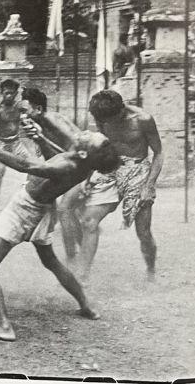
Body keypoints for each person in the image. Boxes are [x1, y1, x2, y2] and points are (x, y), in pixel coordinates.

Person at [0, 121, 120, 341]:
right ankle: (86, 306)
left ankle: (4, 327)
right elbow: (58, 156)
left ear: (83, 151)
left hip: (25, 208)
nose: (86, 132)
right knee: (51, 261)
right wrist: (40, 139)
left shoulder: (70, 166)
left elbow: (27, 166)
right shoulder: (80, 162)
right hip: (43, 208)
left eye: (90, 136)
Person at [73, 90, 163, 282]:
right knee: (89, 222)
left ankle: (151, 271)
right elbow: (98, 150)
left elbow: (159, 153)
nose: (109, 123)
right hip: (110, 168)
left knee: (143, 233)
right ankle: (82, 276)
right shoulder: (102, 118)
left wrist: (149, 186)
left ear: (121, 109)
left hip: (137, 171)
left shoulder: (143, 119)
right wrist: (87, 178)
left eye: (112, 119)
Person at [16, 88, 85, 261]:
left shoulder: (53, 120)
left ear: (38, 109)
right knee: (67, 211)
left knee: (65, 210)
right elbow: (53, 158)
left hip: (83, 167)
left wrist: (41, 139)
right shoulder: (39, 124)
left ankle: (73, 259)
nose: (21, 116)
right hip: (71, 167)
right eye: (20, 112)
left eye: (25, 111)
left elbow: (78, 154)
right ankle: (84, 248)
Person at [0, 79, 39, 205]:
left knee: (32, 165)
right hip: (1, 144)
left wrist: (36, 138)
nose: (9, 96)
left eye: (12, 93)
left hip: (16, 143)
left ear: (16, 94)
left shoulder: (19, 106)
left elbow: (34, 115)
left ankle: (25, 194)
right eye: (6, 93)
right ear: (2, 93)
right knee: (1, 170)